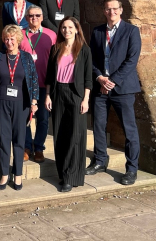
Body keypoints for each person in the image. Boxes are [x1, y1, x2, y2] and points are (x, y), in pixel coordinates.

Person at [86, 0, 141, 186]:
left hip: (123, 89)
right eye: (108, 9)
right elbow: (91, 59)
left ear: (121, 10)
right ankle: (100, 160)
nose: (112, 12)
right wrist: (100, 77)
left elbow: (132, 60)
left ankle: (131, 168)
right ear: (104, 11)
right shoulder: (98, 32)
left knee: (129, 129)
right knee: (99, 126)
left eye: (115, 9)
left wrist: (113, 81)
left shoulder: (131, 31)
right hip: (101, 87)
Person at [0, 25, 39, 191]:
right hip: (1, 102)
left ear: (18, 39)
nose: (9, 42)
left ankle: (18, 174)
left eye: (12, 38)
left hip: (21, 103)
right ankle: (4, 174)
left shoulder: (26, 58)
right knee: (3, 138)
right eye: (7, 39)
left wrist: (34, 102)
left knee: (19, 139)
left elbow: (33, 80)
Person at [45, 17, 92, 192]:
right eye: (64, 27)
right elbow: (50, 75)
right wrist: (48, 95)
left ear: (77, 29)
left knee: (75, 136)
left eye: (70, 27)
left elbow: (88, 78)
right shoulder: (55, 48)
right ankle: (63, 173)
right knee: (59, 134)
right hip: (58, 93)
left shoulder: (84, 50)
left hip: (76, 94)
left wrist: (86, 99)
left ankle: (72, 176)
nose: (67, 30)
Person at [19, 5, 56, 163]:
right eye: (31, 16)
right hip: (24, 84)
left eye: (37, 15)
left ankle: (39, 147)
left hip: (44, 84)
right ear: (26, 18)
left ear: (42, 17)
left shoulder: (51, 35)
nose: (34, 18)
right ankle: (27, 146)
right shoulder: (20, 34)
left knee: (42, 118)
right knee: (25, 117)